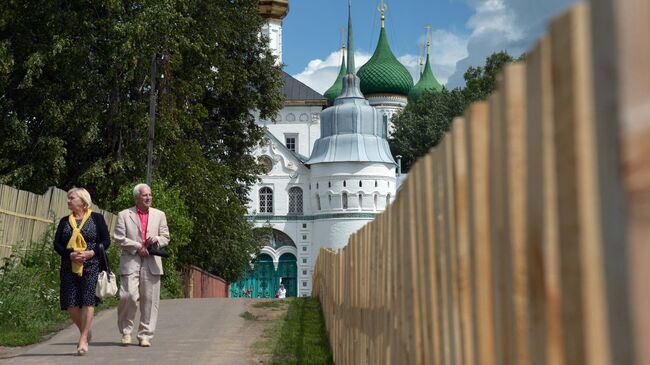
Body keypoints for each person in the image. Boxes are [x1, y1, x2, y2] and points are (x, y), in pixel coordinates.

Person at [53, 187, 110, 356]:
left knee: (87, 300)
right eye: (68, 198)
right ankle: (85, 330)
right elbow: (57, 244)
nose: (68, 200)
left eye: (72, 198)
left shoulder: (97, 219)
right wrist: (69, 255)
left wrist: (92, 252)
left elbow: (106, 241)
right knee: (70, 304)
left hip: (91, 264)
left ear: (83, 202)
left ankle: (83, 338)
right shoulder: (64, 221)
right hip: (69, 265)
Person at [114, 183, 170, 347]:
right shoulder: (124, 214)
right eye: (145, 195)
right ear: (136, 197)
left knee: (149, 300)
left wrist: (157, 240)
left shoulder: (159, 215)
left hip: (152, 261)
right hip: (131, 260)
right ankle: (126, 331)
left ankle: (145, 334)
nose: (149, 198)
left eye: (150, 195)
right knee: (128, 296)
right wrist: (138, 247)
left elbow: (166, 237)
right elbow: (118, 237)